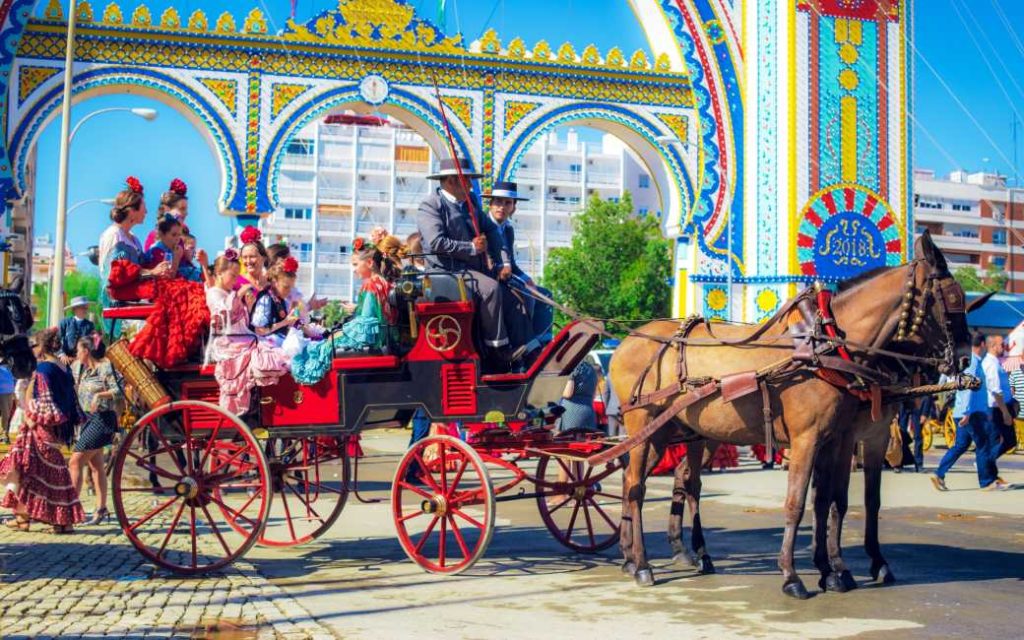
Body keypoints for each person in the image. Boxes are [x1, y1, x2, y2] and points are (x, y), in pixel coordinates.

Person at [416, 157, 531, 366]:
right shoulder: (430, 205)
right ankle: (497, 351)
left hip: (470, 271)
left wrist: (503, 262)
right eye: (467, 180)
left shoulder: (470, 201)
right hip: (445, 272)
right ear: (451, 181)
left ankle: (525, 349)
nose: (470, 185)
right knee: (491, 289)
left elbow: (492, 231)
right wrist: (470, 248)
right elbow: (435, 242)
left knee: (513, 295)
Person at [0, 328, 85, 533]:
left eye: (35, 346)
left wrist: (31, 418)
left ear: (42, 347)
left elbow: (44, 404)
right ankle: (24, 517)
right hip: (58, 427)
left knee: (45, 471)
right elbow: (71, 399)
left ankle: (62, 520)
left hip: (42, 426)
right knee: (28, 470)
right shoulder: (63, 367)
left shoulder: (44, 369)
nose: (33, 350)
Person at [291, 238, 401, 385]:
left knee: (321, 346)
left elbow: (364, 325)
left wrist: (337, 335)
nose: (353, 269)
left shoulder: (370, 285)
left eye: (355, 264)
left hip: (374, 340)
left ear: (369, 263)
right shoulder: (384, 283)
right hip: (382, 337)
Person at [932, 333, 1008, 491]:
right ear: (981, 345)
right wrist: (967, 412)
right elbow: (967, 388)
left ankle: (939, 474)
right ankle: (986, 481)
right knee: (983, 444)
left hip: (966, 411)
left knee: (961, 445)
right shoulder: (973, 363)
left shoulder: (973, 361)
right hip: (970, 412)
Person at [483, 181, 555, 348]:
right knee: (525, 295)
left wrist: (526, 278)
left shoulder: (508, 229)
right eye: (498, 202)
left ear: (513, 207)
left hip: (508, 277)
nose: (502, 207)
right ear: (491, 204)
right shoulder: (483, 226)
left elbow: (512, 263)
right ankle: (525, 345)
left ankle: (543, 343)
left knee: (544, 295)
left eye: (507, 203)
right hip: (490, 279)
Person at [98, 176, 173, 306]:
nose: (146, 212)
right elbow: (114, 274)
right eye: (143, 207)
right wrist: (152, 272)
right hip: (118, 299)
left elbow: (142, 267)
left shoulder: (134, 240)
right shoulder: (113, 235)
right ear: (132, 211)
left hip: (135, 294)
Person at [69, 337, 120, 526]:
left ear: (87, 351)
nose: (76, 354)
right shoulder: (83, 370)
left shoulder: (105, 367)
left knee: (75, 461)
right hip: (88, 421)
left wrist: (99, 394)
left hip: (103, 419)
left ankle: (70, 509)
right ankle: (101, 509)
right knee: (96, 466)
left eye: (78, 350)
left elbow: (118, 390)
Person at [205, 249, 255, 363]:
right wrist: (239, 295)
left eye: (237, 276)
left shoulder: (231, 294)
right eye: (233, 275)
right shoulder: (213, 292)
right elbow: (222, 319)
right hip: (224, 342)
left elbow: (241, 323)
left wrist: (249, 306)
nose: (236, 280)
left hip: (236, 338)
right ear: (219, 273)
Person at [250, 257, 304, 349]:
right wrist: (285, 322)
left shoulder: (281, 299)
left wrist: (294, 320)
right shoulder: (265, 299)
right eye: (286, 287)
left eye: (291, 288)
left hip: (279, 342)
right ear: (275, 282)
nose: (288, 291)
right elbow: (259, 330)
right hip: (266, 345)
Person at [142, 214, 209, 283]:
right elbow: (166, 279)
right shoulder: (157, 251)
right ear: (162, 234)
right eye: (173, 235)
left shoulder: (173, 249)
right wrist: (176, 258)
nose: (177, 239)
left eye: (179, 235)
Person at [982, 334, 1017, 459]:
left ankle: (987, 467)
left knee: (1007, 440)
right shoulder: (992, 365)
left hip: (1000, 407)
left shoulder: (995, 363)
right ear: (993, 346)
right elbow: (995, 391)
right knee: (1004, 440)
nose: (1004, 347)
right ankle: (986, 464)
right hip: (996, 408)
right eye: (1002, 345)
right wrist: (1005, 412)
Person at [144, 178, 189, 251]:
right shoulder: (154, 236)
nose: (186, 213)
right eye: (182, 209)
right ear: (167, 209)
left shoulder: (183, 237)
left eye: (186, 209)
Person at [558, 360, 599, 431]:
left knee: (570, 440)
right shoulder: (591, 368)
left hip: (572, 412)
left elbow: (568, 394)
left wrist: (556, 391)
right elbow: (594, 394)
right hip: (589, 410)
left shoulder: (572, 367)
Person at [57, 296, 96, 363]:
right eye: (82, 307)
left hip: (82, 360)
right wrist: (61, 354)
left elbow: (91, 343)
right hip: (65, 359)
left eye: (86, 307)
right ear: (74, 309)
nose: (85, 310)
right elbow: (57, 339)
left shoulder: (90, 325)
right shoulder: (65, 322)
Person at [0, 365, 13, 444]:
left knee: (8, 414)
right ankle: (4, 435)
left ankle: (5, 434)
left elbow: (12, 380)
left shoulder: (8, 368)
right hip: (1, 393)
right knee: (6, 414)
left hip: (10, 392)